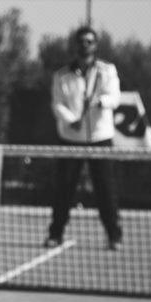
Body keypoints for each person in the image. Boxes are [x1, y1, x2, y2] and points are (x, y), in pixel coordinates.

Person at [44, 25, 123, 251]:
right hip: (70, 139)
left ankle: (114, 236)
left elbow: (114, 97)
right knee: (64, 189)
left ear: (95, 45)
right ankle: (55, 234)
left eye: (90, 41)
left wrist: (100, 102)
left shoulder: (106, 71)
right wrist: (72, 120)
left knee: (106, 189)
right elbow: (57, 104)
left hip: (100, 139)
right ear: (75, 44)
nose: (85, 45)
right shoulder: (61, 75)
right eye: (81, 41)